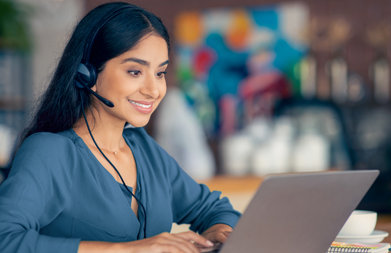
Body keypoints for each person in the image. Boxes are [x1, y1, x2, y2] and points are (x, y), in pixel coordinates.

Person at [0, 2, 240, 253]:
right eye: (135, 72)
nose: (153, 90)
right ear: (87, 74)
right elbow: (5, 239)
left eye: (160, 73)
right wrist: (126, 249)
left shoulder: (143, 148)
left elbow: (217, 210)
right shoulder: (51, 152)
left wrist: (216, 237)